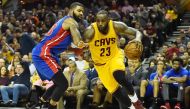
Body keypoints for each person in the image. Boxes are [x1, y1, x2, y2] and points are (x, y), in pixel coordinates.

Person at [83, 10, 144, 109]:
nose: (100, 23)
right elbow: (82, 43)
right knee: (116, 92)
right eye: (98, 21)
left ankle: (136, 102)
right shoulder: (91, 30)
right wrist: (85, 52)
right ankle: (133, 108)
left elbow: (137, 32)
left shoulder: (116, 26)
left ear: (108, 20)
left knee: (119, 76)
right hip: (100, 65)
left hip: (115, 57)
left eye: (103, 21)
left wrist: (138, 39)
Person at [32, 2, 86, 109]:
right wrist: (92, 41)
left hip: (45, 53)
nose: (81, 14)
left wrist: (84, 46)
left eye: (83, 12)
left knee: (58, 83)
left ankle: (39, 103)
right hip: (44, 52)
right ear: (71, 10)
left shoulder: (66, 22)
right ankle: (49, 107)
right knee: (63, 84)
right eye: (79, 10)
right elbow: (78, 43)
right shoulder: (71, 22)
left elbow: (75, 46)